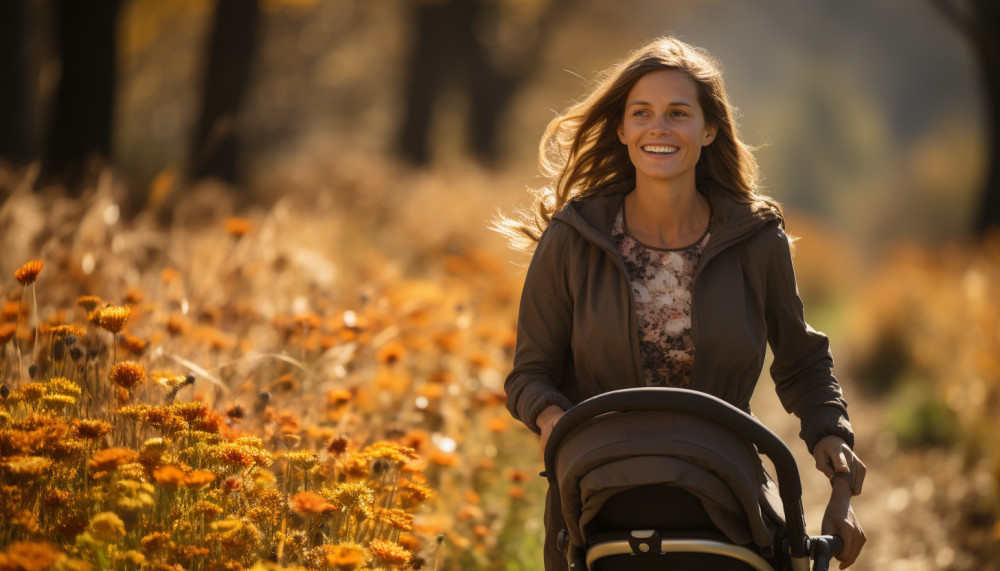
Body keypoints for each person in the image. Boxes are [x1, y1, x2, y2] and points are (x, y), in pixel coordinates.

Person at [497, 36, 867, 570]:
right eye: (641, 113)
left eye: (678, 113)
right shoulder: (573, 238)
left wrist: (831, 440)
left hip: (725, 489)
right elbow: (529, 375)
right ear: (621, 129)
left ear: (709, 128)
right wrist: (551, 416)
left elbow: (802, 363)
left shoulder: (756, 239)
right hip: (598, 498)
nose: (659, 128)